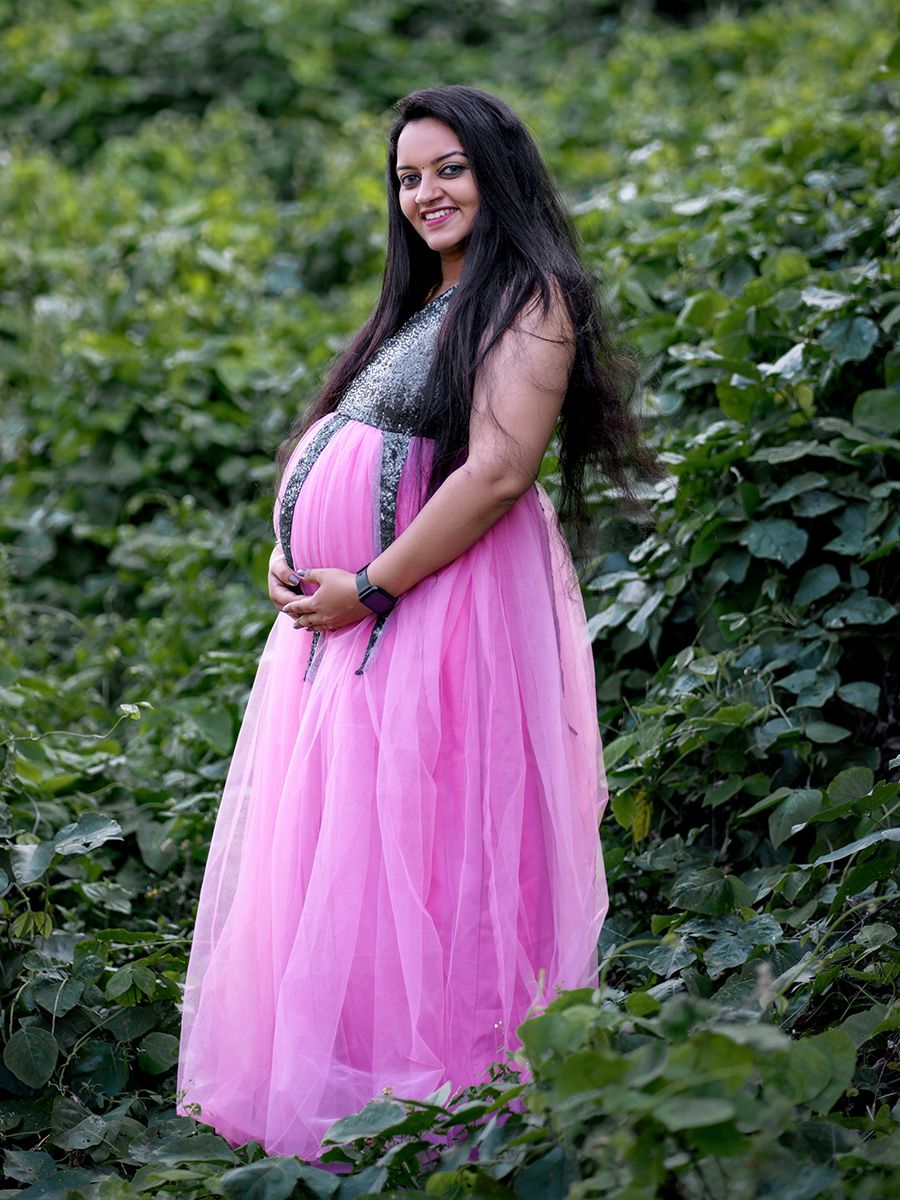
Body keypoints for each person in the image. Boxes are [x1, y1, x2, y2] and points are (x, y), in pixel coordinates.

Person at [176, 83, 649, 1163]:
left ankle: (447, 1104)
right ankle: (354, 1093)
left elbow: (494, 472)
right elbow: (347, 442)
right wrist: (293, 548)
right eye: (407, 176)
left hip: (438, 616)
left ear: (497, 170)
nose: (425, 192)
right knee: (354, 847)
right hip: (348, 623)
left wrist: (373, 587)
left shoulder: (529, 294)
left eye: (449, 168)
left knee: (432, 838)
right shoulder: (423, 302)